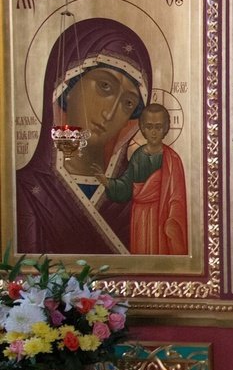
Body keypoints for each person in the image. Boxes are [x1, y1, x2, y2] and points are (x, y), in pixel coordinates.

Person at [16, 17, 151, 254]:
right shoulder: (25, 190)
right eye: (105, 86)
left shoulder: (137, 197)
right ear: (66, 86)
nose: (110, 113)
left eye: (128, 103)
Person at [95, 103, 188, 255]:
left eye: (158, 127)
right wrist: (108, 182)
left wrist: (172, 222)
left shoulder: (173, 159)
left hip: (161, 214)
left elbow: (177, 196)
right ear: (143, 128)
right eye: (149, 127)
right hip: (140, 215)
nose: (153, 132)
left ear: (165, 128)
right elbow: (127, 184)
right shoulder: (138, 155)